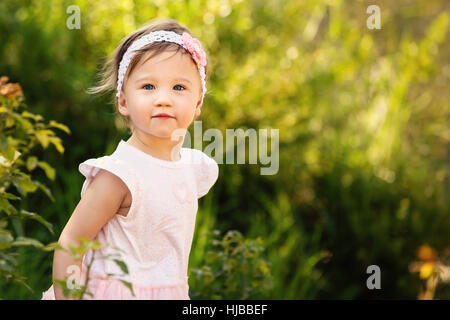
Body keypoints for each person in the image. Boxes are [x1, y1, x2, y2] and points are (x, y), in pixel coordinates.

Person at [41, 18, 219, 300]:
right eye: (148, 86)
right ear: (123, 101)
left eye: (179, 88)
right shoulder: (120, 175)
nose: (164, 99)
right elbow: (71, 243)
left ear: (198, 103)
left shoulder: (192, 168)